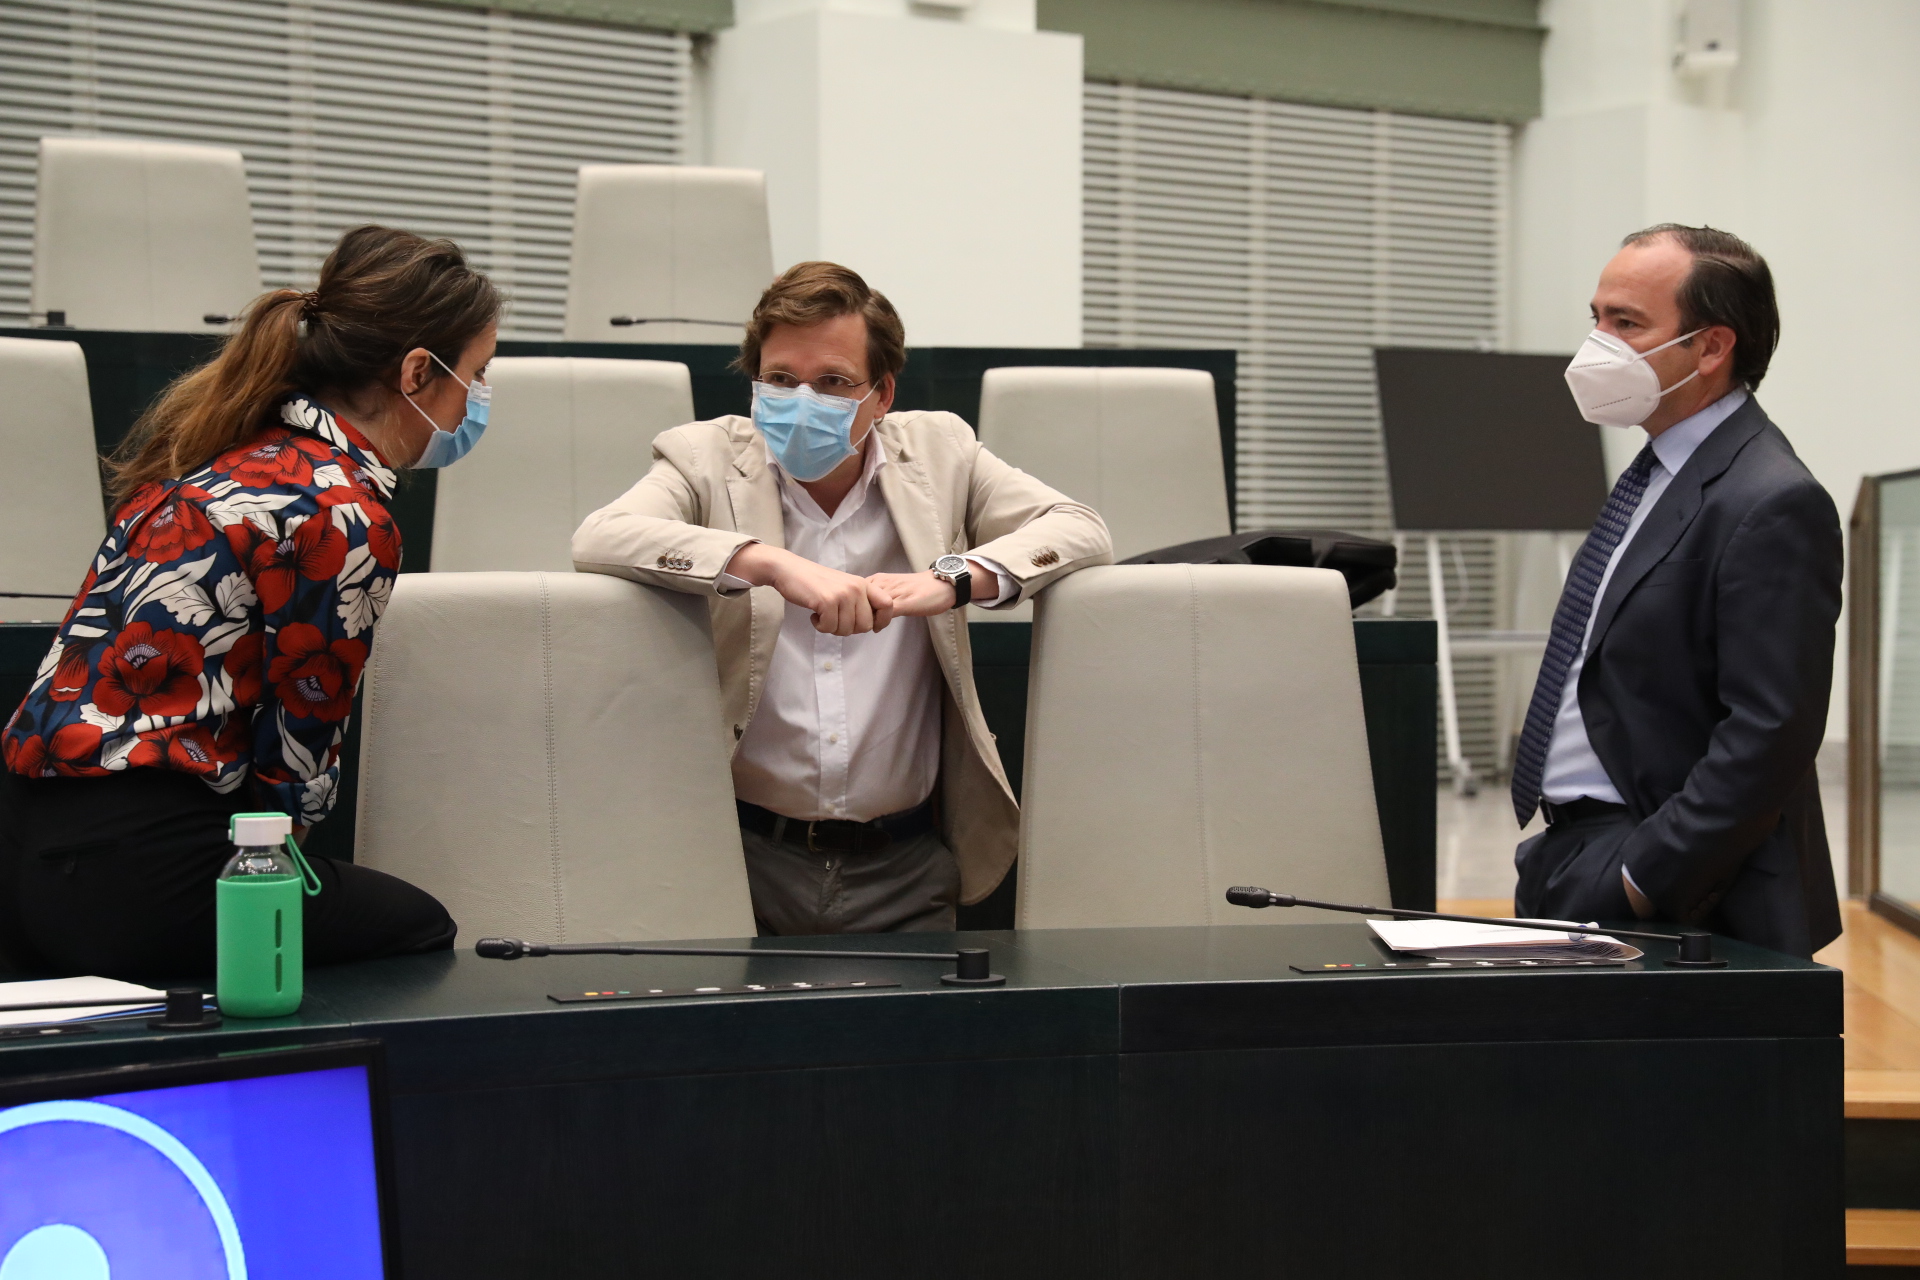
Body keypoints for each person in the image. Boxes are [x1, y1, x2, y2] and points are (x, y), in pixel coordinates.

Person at [0, 224, 500, 980]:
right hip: (136, 873)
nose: (479, 399)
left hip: (22, 852)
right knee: (419, 928)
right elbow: (296, 756)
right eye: (477, 373)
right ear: (417, 372)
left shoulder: (216, 467)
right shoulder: (344, 513)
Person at [573, 261, 1112, 935]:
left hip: (906, 861)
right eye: (779, 380)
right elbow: (601, 536)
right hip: (738, 856)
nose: (802, 401)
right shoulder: (703, 456)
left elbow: (1078, 527)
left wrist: (951, 579)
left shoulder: (940, 452)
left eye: (833, 382)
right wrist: (764, 561)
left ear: (882, 395)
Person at [1510, 224, 1842, 958]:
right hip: (1575, 853)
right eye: (1596, 318)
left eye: (1627, 323)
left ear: (1711, 347)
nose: (1597, 345)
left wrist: (1639, 877)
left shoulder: (1772, 498)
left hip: (1680, 893)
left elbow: (1770, 731)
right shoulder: (1658, 471)